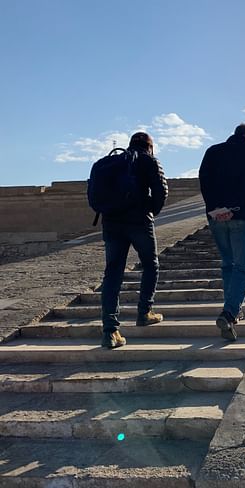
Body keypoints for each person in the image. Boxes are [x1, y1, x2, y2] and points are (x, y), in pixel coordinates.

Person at [99, 132, 168, 349]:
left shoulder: (110, 162)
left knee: (112, 273)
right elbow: (161, 190)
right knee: (150, 265)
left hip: (111, 222)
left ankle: (110, 331)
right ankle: (144, 312)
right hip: (139, 221)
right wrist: (150, 210)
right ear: (150, 146)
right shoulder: (149, 160)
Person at [199, 123, 245, 341]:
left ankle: (232, 308)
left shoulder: (213, 151)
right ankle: (230, 312)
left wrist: (215, 209)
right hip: (241, 216)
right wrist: (233, 208)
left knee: (228, 264)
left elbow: (204, 181)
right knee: (243, 268)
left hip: (216, 216)